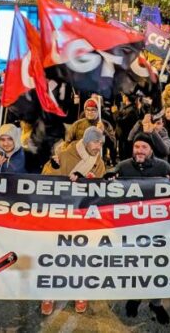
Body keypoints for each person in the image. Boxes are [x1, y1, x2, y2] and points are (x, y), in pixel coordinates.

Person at [40, 127, 106, 315]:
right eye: (95, 142)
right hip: (60, 214)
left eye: (101, 143)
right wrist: (52, 168)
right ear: (86, 141)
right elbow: (45, 181)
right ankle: (48, 294)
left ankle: (80, 291)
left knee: (80, 257)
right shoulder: (65, 155)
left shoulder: (98, 162)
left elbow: (101, 191)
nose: (98, 147)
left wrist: (94, 183)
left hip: (82, 217)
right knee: (54, 256)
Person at [114, 134, 170, 325]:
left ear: (151, 150)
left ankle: (156, 303)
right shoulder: (123, 167)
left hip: (158, 229)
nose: (139, 150)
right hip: (131, 228)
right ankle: (135, 297)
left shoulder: (163, 167)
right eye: (136, 146)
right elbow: (106, 187)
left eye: (144, 147)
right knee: (135, 265)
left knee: (157, 266)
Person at [66, 98, 117, 163]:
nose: (90, 112)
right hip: (79, 161)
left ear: (98, 111)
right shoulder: (77, 125)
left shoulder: (105, 124)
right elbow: (68, 142)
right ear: (85, 110)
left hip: (98, 162)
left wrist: (104, 132)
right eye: (88, 110)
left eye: (93, 110)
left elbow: (113, 145)